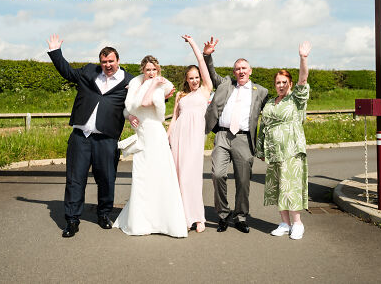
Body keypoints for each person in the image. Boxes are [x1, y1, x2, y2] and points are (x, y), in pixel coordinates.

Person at [46, 34, 138, 238]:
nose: (107, 65)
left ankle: (104, 214)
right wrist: (55, 52)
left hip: (107, 140)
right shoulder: (89, 71)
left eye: (111, 61)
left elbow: (144, 94)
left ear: (118, 61)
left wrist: (163, 91)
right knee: (75, 179)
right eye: (104, 61)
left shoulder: (129, 81)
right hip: (81, 137)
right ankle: (72, 220)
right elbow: (68, 72)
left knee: (106, 179)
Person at [113, 55, 188, 237]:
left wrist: (154, 85)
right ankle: (141, 222)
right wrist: (130, 116)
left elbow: (147, 103)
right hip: (143, 134)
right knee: (142, 176)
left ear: (158, 70)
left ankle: (165, 222)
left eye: (154, 70)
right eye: (148, 70)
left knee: (162, 175)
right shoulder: (135, 85)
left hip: (156, 133)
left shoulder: (159, 86)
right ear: (143, 71)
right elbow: (129, 107)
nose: (151, 73)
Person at [203, 37, 270, 233]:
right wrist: (207, 55)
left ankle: (240, 216)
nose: (240, 71)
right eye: (237, 69)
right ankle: (223, 214)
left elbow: (272, 111)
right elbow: (210, 72)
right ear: (234, 72)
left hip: (243, 139)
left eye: (244, 68)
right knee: (217, 174)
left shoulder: (262, 92)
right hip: (223, 136)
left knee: (243, 181)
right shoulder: (225, 84)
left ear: (250, 71)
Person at [256, 41, 312, 240]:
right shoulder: (271, 102)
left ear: (289, 83)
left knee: (291, 187)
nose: (280, 85)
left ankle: (297, 223)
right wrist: (261, 150)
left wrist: (303, 58)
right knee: (278, 187)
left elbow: (303, 80)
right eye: (277, 82)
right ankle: (284, 223)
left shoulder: (295, 99)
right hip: (273, 152)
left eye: (284, 82)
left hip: (291, 150)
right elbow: (263, 126)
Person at [167, 35, 213, 233]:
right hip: (178, 138)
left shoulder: (205, 90)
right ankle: (182, 217)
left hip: (194, 140)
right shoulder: (181, 95)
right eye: (191, 78)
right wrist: (167, 137)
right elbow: (174, 118)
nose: (194, 80)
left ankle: (197, 217)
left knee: (191, 177)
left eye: (196, 77)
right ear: (186, 79)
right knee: (178, 177)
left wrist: (194, 44)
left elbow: (202, 62)